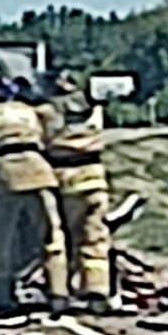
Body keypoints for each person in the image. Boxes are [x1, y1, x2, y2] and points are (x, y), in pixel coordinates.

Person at [0, 74, 69, 315]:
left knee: (0, 240)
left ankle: (3, 296)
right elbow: (49, 135)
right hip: (39, 170)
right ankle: (58, 293)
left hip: (5, 174)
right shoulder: (30, 112)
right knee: (51, 236)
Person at [43, 70, 111, 312]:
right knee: (95, 236)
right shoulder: (93, 110)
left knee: (57, 237)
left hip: (62, 176)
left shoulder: (47, 111)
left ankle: (58, 293)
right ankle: (97, 292)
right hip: (93, 176)